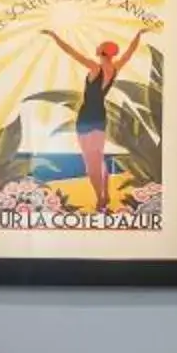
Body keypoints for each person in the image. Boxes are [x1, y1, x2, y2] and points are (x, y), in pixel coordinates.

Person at [41, 25, 149, 215]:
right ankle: (105, 194)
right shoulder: (115, 68)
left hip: (86, 117)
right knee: (98, 157)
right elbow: (130, 52)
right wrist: (138, 36)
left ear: (101, 52)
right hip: (100, 116)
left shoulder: (94, 67)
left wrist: (54, 36)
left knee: (90, 161)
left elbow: (72, 52)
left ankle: (99, 197)